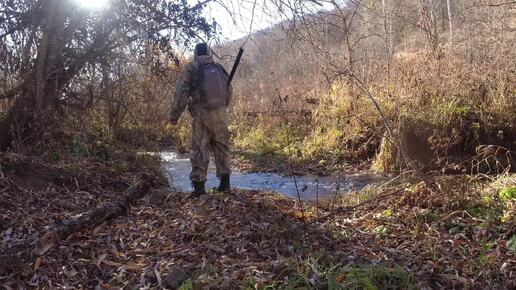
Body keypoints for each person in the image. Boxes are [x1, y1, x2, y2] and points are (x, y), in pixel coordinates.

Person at [170, 43, 232, 197]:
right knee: (221, 147)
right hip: (220, 113)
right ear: (209, 53)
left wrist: (174, 116)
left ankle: (199, 189)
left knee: (200, 148)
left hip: (201, 113)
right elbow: (229, 90)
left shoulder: (192, 68)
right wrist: (222, 106)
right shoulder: (218, 67)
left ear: (195, 53)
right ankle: (225, 185)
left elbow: (181, 93)